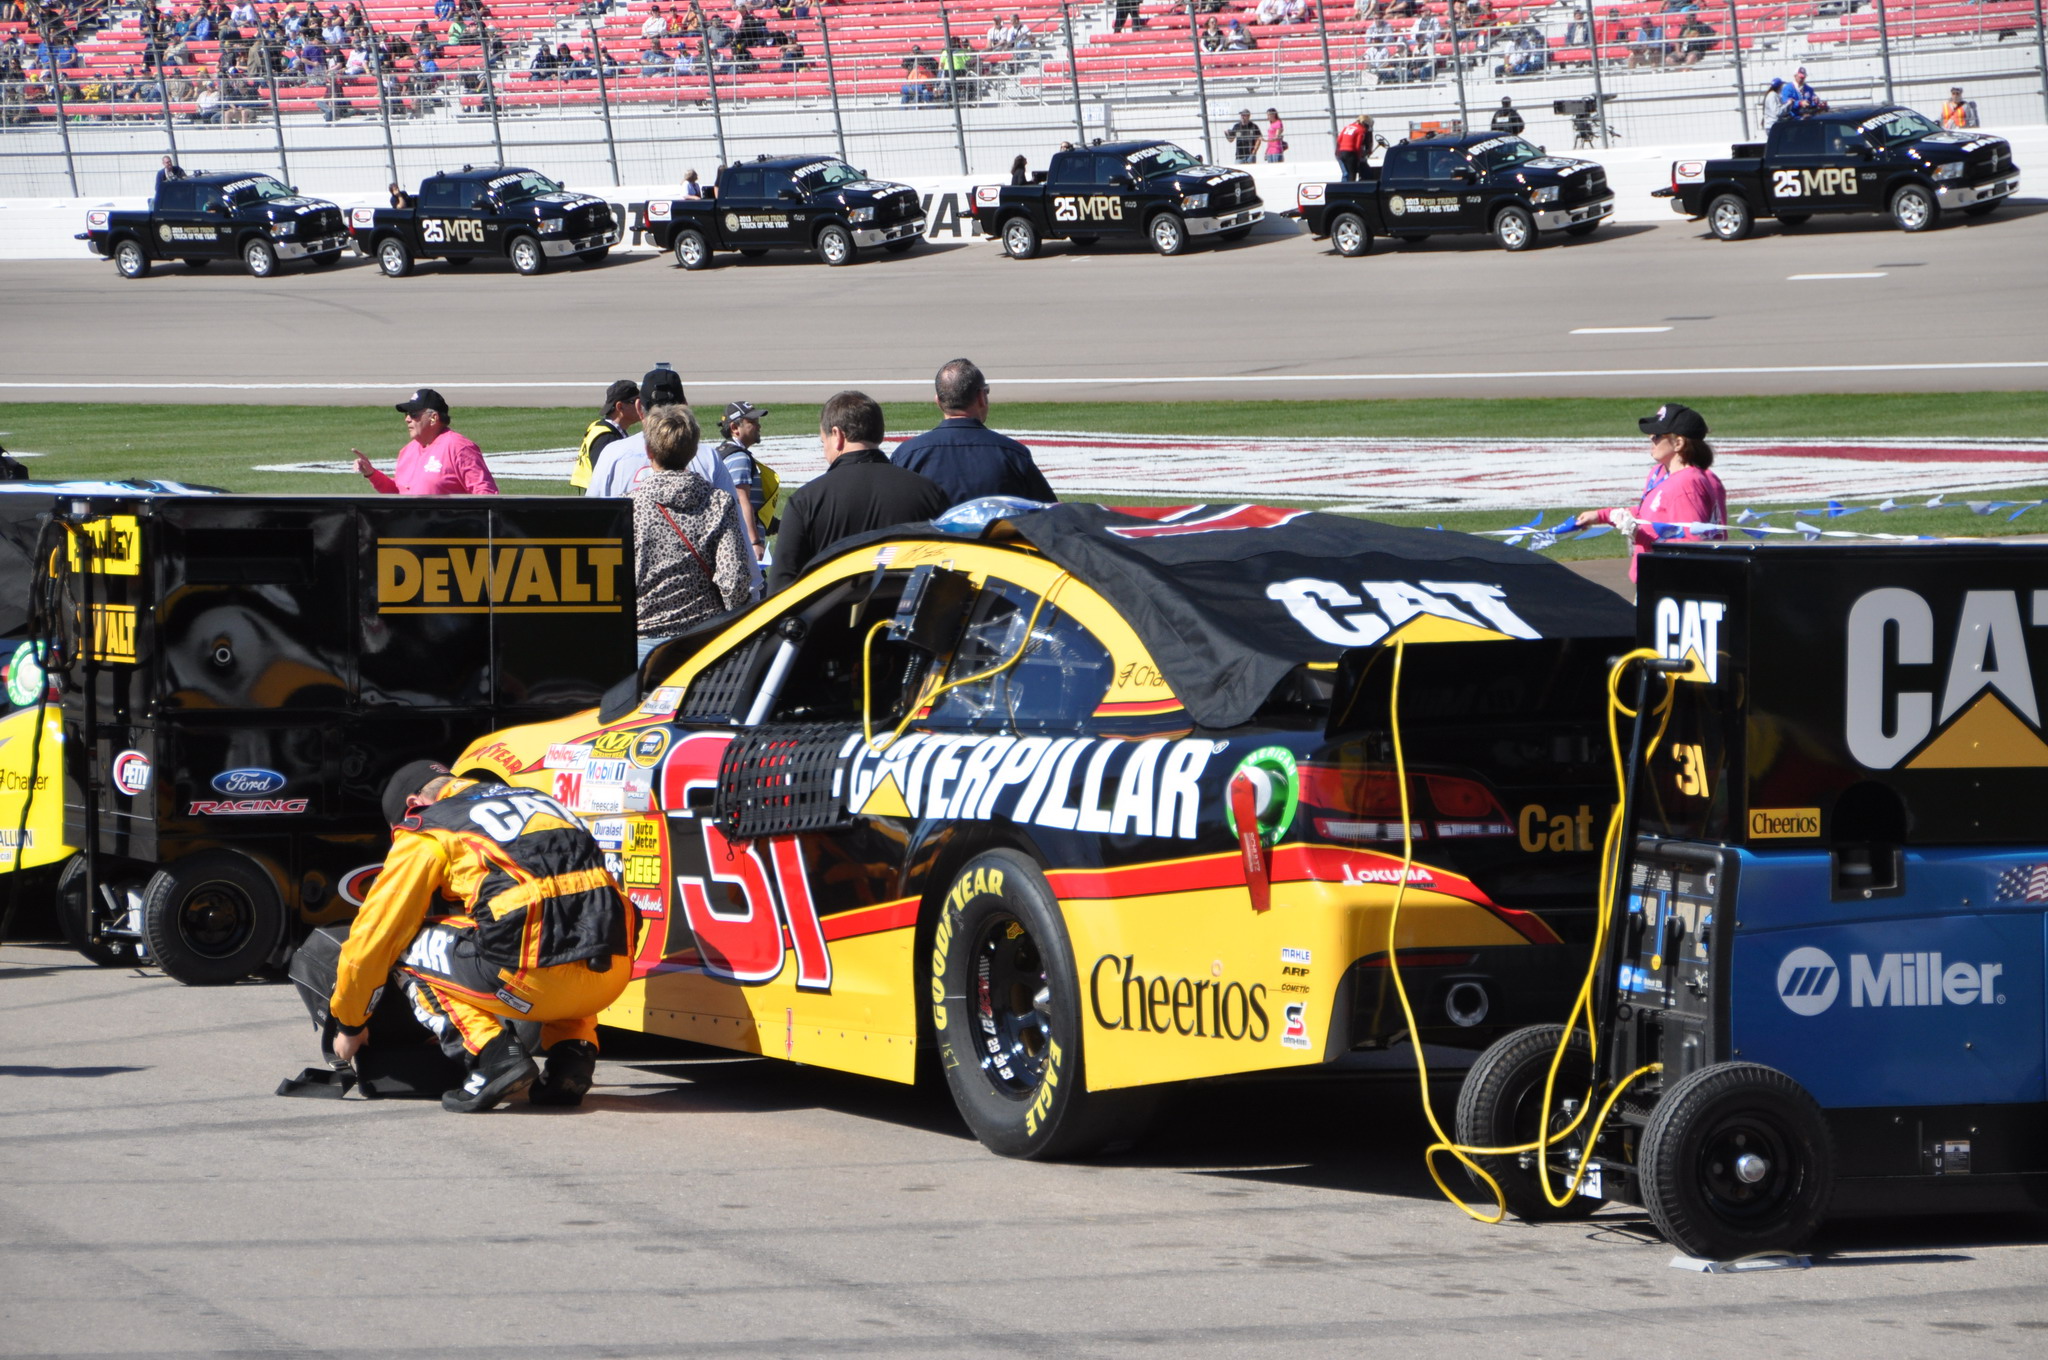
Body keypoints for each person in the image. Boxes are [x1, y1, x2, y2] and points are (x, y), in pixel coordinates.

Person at [326, 762, 638, 1112]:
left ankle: (492, 1056)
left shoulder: (429, 826)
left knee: (405, 944)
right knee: (563, 921)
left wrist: (349, 1024)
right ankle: (572, 1055)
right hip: (611, 974)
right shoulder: (540, 801)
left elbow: (375, 935)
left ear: (414, 804)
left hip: (531, 981)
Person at [587, 365, 762, 590]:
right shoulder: (706, 456)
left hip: (631, 594)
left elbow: (594, 527)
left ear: (639, 407)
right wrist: (751, 588)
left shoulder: (613, 454)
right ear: (685, 405)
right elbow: (735, 532)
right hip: (698, 595)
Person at [770, 391, 948, 594]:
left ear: (837, 435)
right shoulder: (928, 492)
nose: (824, 450)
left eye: (823, 441)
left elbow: (780, 587)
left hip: (831, 614)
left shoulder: (806, 501)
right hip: (907, 611)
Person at [632, 405, 752, 661]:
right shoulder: (717, 502)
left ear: (649, 452)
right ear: (693, 451)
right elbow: (734, 580)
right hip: (702, 638)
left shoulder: (629, 507)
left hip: (644, 638)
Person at [1574, 403, 1726, 583]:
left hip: (1669, 583)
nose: (1650, 438)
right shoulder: (1660, 473)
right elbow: (1650, 513)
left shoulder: (1686, 484)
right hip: (1653, 579)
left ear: (1678, 443)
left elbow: (1690, 545)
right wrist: (1603, 516)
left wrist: (1639, 535)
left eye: (1657, 436)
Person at [889, 358, 1056, 510]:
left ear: (938, 401)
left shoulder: (907, 455)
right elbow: (1048, 513)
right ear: (981, 397)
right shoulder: (1013, 454)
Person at [351, 389, 499, 495]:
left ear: (433, 418)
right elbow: (398, 494)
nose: (407, 419)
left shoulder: (458, 447)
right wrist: (372, 474)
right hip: (413, 528)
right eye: (407, 414)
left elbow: (486, 494)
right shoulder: (407, 451)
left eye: (414, 414)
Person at [716, 399, 777, 558]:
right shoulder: (739, 458)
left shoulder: (724, 453)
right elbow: (741, 500)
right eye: (752, 422)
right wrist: (755, 542)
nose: (759, 426)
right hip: (743, 547)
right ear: (734, 428)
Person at [571, 378, 639, 491]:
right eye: (635, 401)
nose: (640, 405)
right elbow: (603, 476)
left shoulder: (605, 429)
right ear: (620, 407)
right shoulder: (606, 438)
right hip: (601, 498)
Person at [1336, 113, 1368, 180]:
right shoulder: (1361, 130)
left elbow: (1339, 139)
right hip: (1350, 152)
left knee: (1346, 173)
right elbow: (1358, 145)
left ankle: (1344, 185)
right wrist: (1359, 156)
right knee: (1352, 174)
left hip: (1341, 151)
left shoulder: (1347, 127)